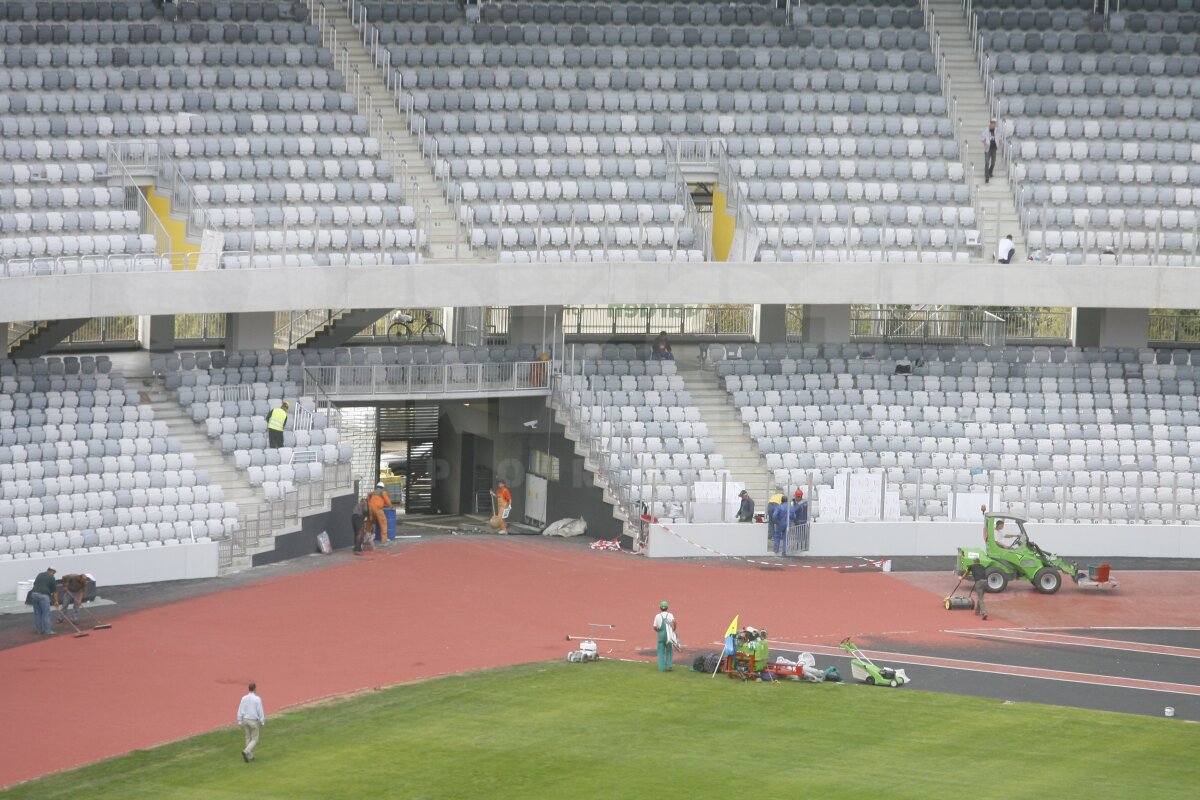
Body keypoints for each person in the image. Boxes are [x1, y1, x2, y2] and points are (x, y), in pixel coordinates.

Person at [236, 683, 266, 762]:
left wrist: (239, 721)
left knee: (248, 737)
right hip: (253, 721)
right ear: (255, 689)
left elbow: (240, 709)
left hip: (245, 720)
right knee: (255, 739)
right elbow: (260, 711)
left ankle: (250, 756)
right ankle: (246, 751)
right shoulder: (257, 699)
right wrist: (262, 721)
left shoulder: (244, 698)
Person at [28, 566, 58, 635]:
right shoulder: (52, 578)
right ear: (52, 571)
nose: (54, 574)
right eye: (54, 572)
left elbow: (35, 584)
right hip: (43, 596)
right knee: (46, 614)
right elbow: (55, 592)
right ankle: (48, 631)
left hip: (34, 594)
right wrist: (56, 601)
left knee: (37, 614)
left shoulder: (40, 574)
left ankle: (39, 630)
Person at [652, 600, 677, 672]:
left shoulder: (657, 616)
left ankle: (661, 668)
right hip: (669, 635)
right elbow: (674, 621)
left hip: (661, 635)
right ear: (667, 607)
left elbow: (654, 627)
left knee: (660, 652)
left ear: (660, 607)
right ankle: (669, 666)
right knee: (669, 651)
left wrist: (658, 631)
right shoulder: (670, 615)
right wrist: (674, 629)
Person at [982, 118, 1000, 182]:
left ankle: (990, 172)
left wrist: (1000, 143)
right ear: (990, 123)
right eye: (992, 123)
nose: (993, 124)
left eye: (994, 123)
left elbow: (998, 138)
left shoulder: (997, 130)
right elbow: (982, 139)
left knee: (993, 162)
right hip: (988, 148)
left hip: (994, 148)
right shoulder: (986, 130)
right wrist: (985, 144)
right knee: (987, 162)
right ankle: (987, 177)